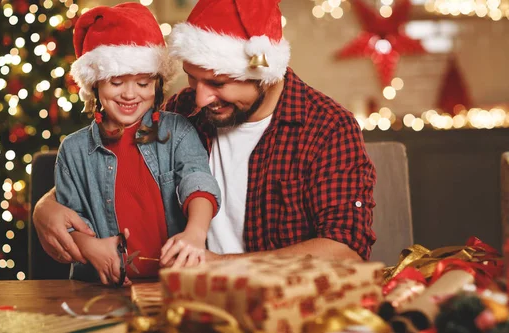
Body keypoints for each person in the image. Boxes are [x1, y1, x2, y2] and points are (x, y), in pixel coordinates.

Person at [33, 0, 376, 268]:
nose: (199, 97)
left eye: (217, 82)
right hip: (183, 303)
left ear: (265, 72)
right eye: (193, 78)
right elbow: (120, 165)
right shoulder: (183, 111)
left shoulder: (328, 129)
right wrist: (46, 206)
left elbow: (345, 250)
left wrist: (221, 267)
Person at [55, 3, 220, 285]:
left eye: (143, 84)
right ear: (95, 84)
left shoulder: (178, 131)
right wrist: (90, 248)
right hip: (99, 288)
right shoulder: (72, 151)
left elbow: (198, 180)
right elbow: (68, 222)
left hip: (173, 285)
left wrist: (195, 233)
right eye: (117, 82)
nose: (130, 94)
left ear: (157, 85)